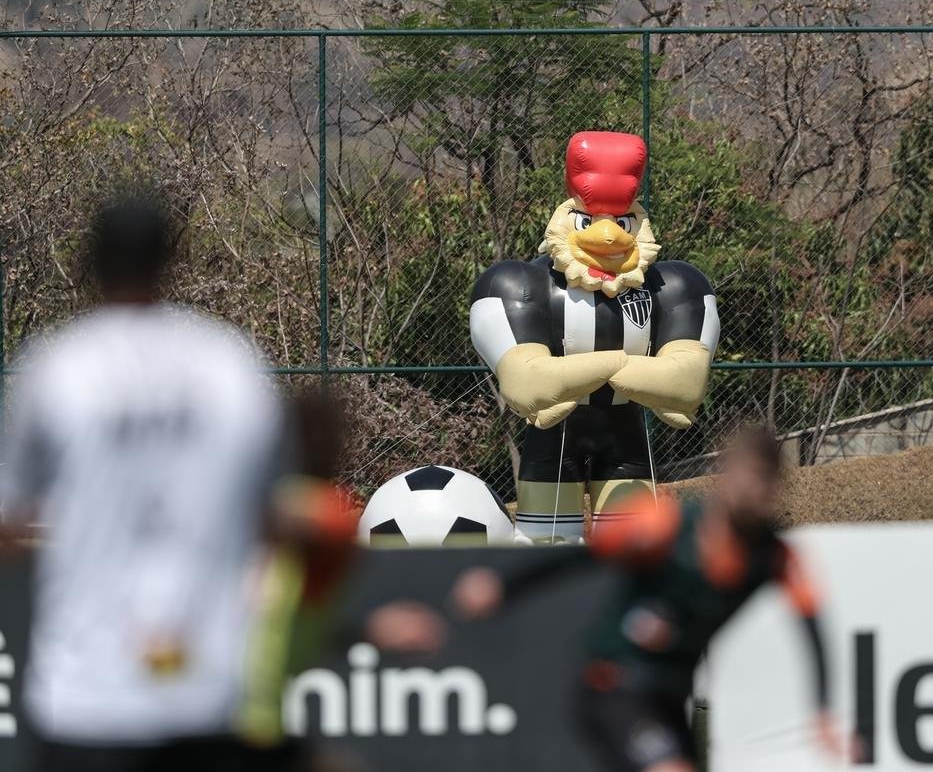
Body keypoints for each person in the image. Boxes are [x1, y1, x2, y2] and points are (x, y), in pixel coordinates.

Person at [0, 199, 368, 772]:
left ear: (90, 266)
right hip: (205, 691)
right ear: (170, 261)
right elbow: (272, 510)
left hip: (86, 692)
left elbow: (9, 522)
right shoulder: (228, 363)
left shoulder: (57, 367)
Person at [369, 426, 847, 772]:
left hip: (667, 694)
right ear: (728, 479)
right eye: (747, 478)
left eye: (766, 484)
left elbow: (811, 627)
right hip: (613, 686)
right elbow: (582, 559)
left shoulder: (776, 557)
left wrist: (823, 710)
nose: (754, 493)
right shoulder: (667, 525)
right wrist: (503, 587)